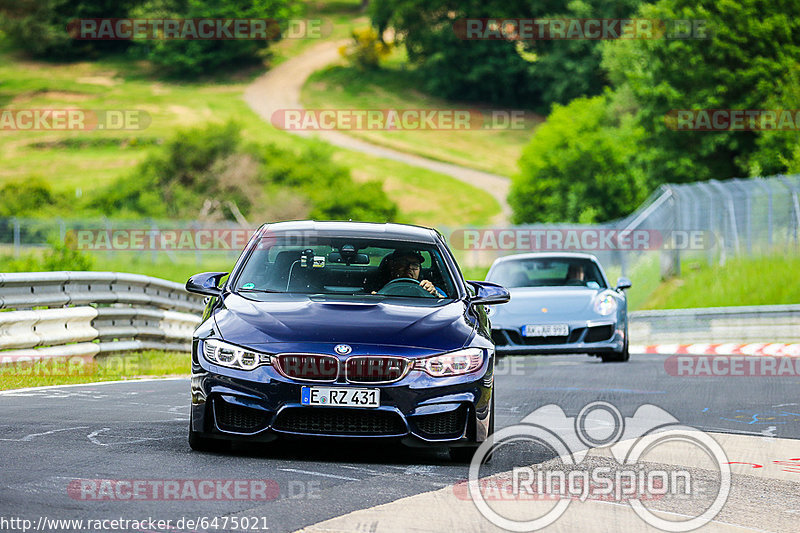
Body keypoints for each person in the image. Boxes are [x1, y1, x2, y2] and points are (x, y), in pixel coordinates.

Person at [368, 250, 443, 296]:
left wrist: (435, 294)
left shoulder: (428, 288)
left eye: (415, 265)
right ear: (393, 266)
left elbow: (447, 304)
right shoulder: (376, 286)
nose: (409, 267)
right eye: (403, 263)